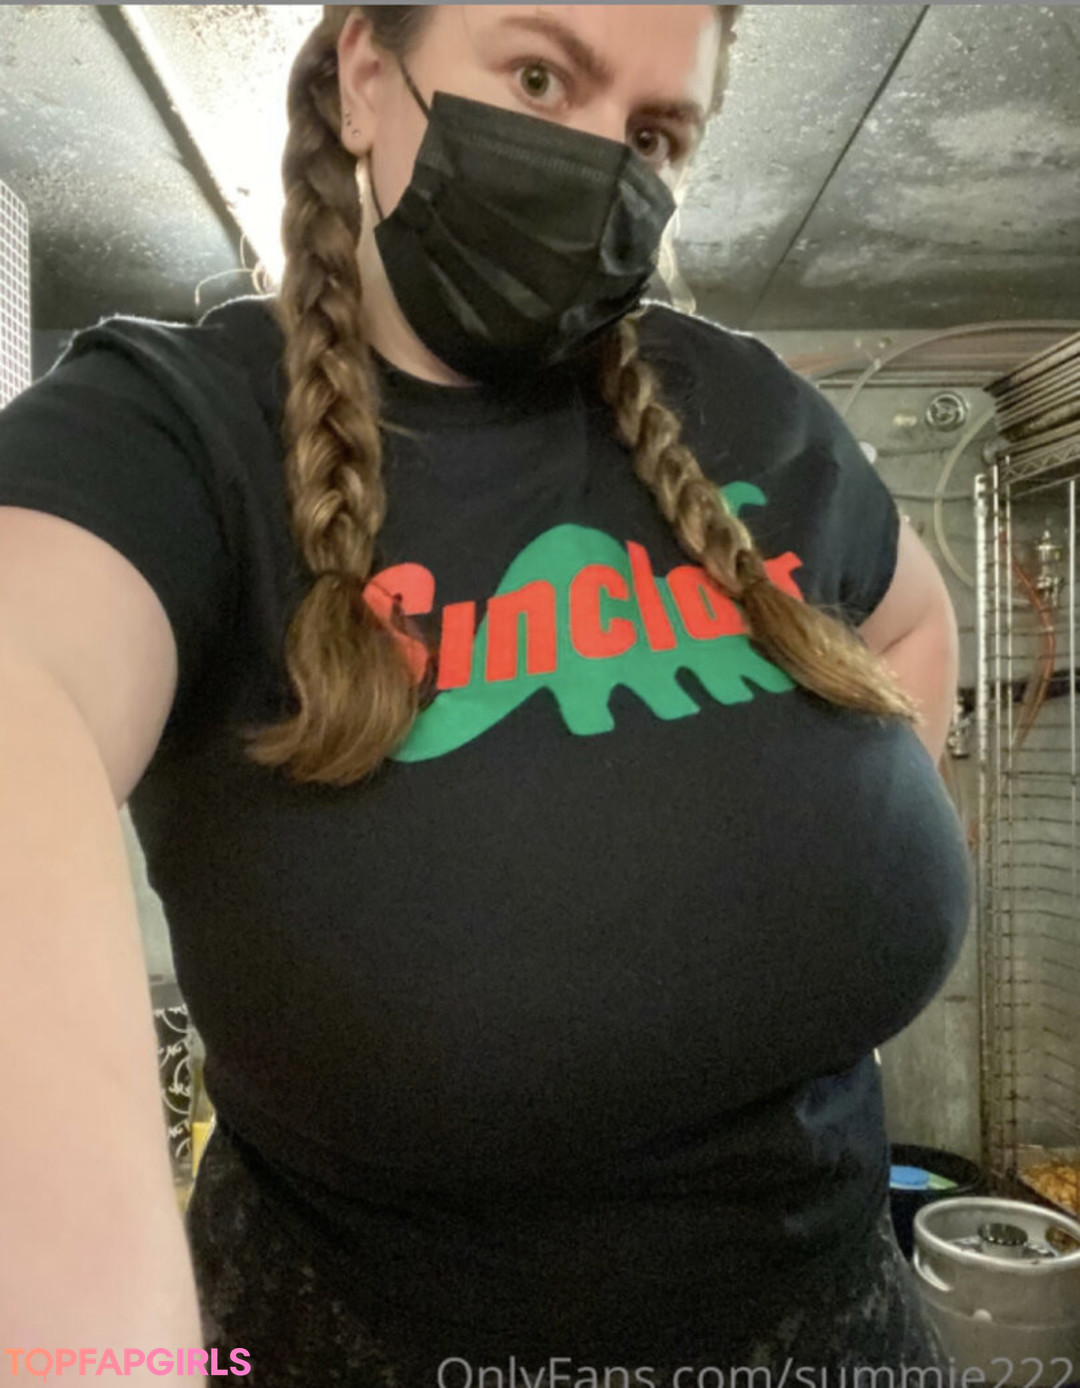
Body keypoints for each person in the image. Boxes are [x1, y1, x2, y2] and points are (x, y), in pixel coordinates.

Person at [0, 5, 973, 1384]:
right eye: (539, 76)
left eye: (655, 134)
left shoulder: (744, 406)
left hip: (843, 1333)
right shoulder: (178, 428)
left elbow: (917, 618)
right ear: (364, 75)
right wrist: (90, 1334)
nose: (603, 167)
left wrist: (832, 848)